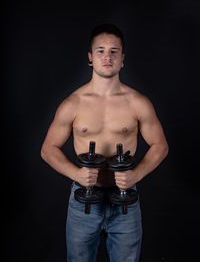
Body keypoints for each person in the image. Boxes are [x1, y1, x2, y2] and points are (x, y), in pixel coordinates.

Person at [41, 23, 169, 262]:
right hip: (83, 200)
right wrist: (76, 174)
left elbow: (160, 145)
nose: (107, 57)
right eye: (100, 51)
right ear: (90, 58)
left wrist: (136, 175)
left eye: (114, 51)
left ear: (123, 58)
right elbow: (48, 149)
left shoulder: (138, 103)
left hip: (125, 200)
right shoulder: (73, 103)